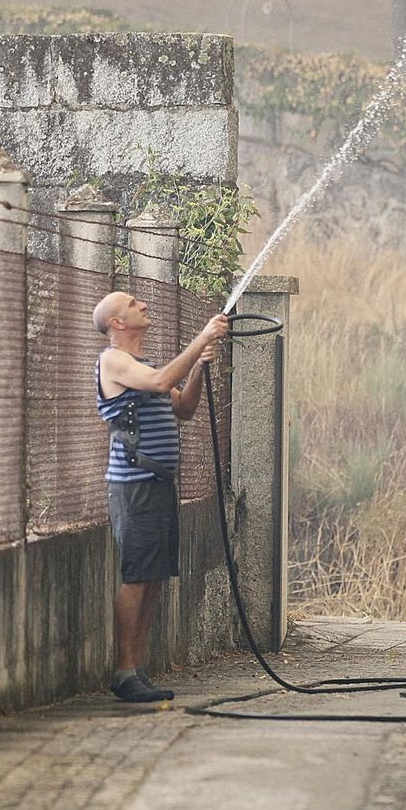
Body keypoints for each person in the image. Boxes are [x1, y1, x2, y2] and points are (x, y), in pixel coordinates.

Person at [93, 291, 229, 703]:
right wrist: (201, 337)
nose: (144, 305)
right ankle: (124, 670)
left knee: (153, 578)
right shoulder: (113, 360)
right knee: (136, 576)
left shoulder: (145, 366)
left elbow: (184, 408)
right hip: (133, 486)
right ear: (117, 323)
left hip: (157, 485)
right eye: (133, 304)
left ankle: (137, 668)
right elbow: (159, 383)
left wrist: (200, 369)